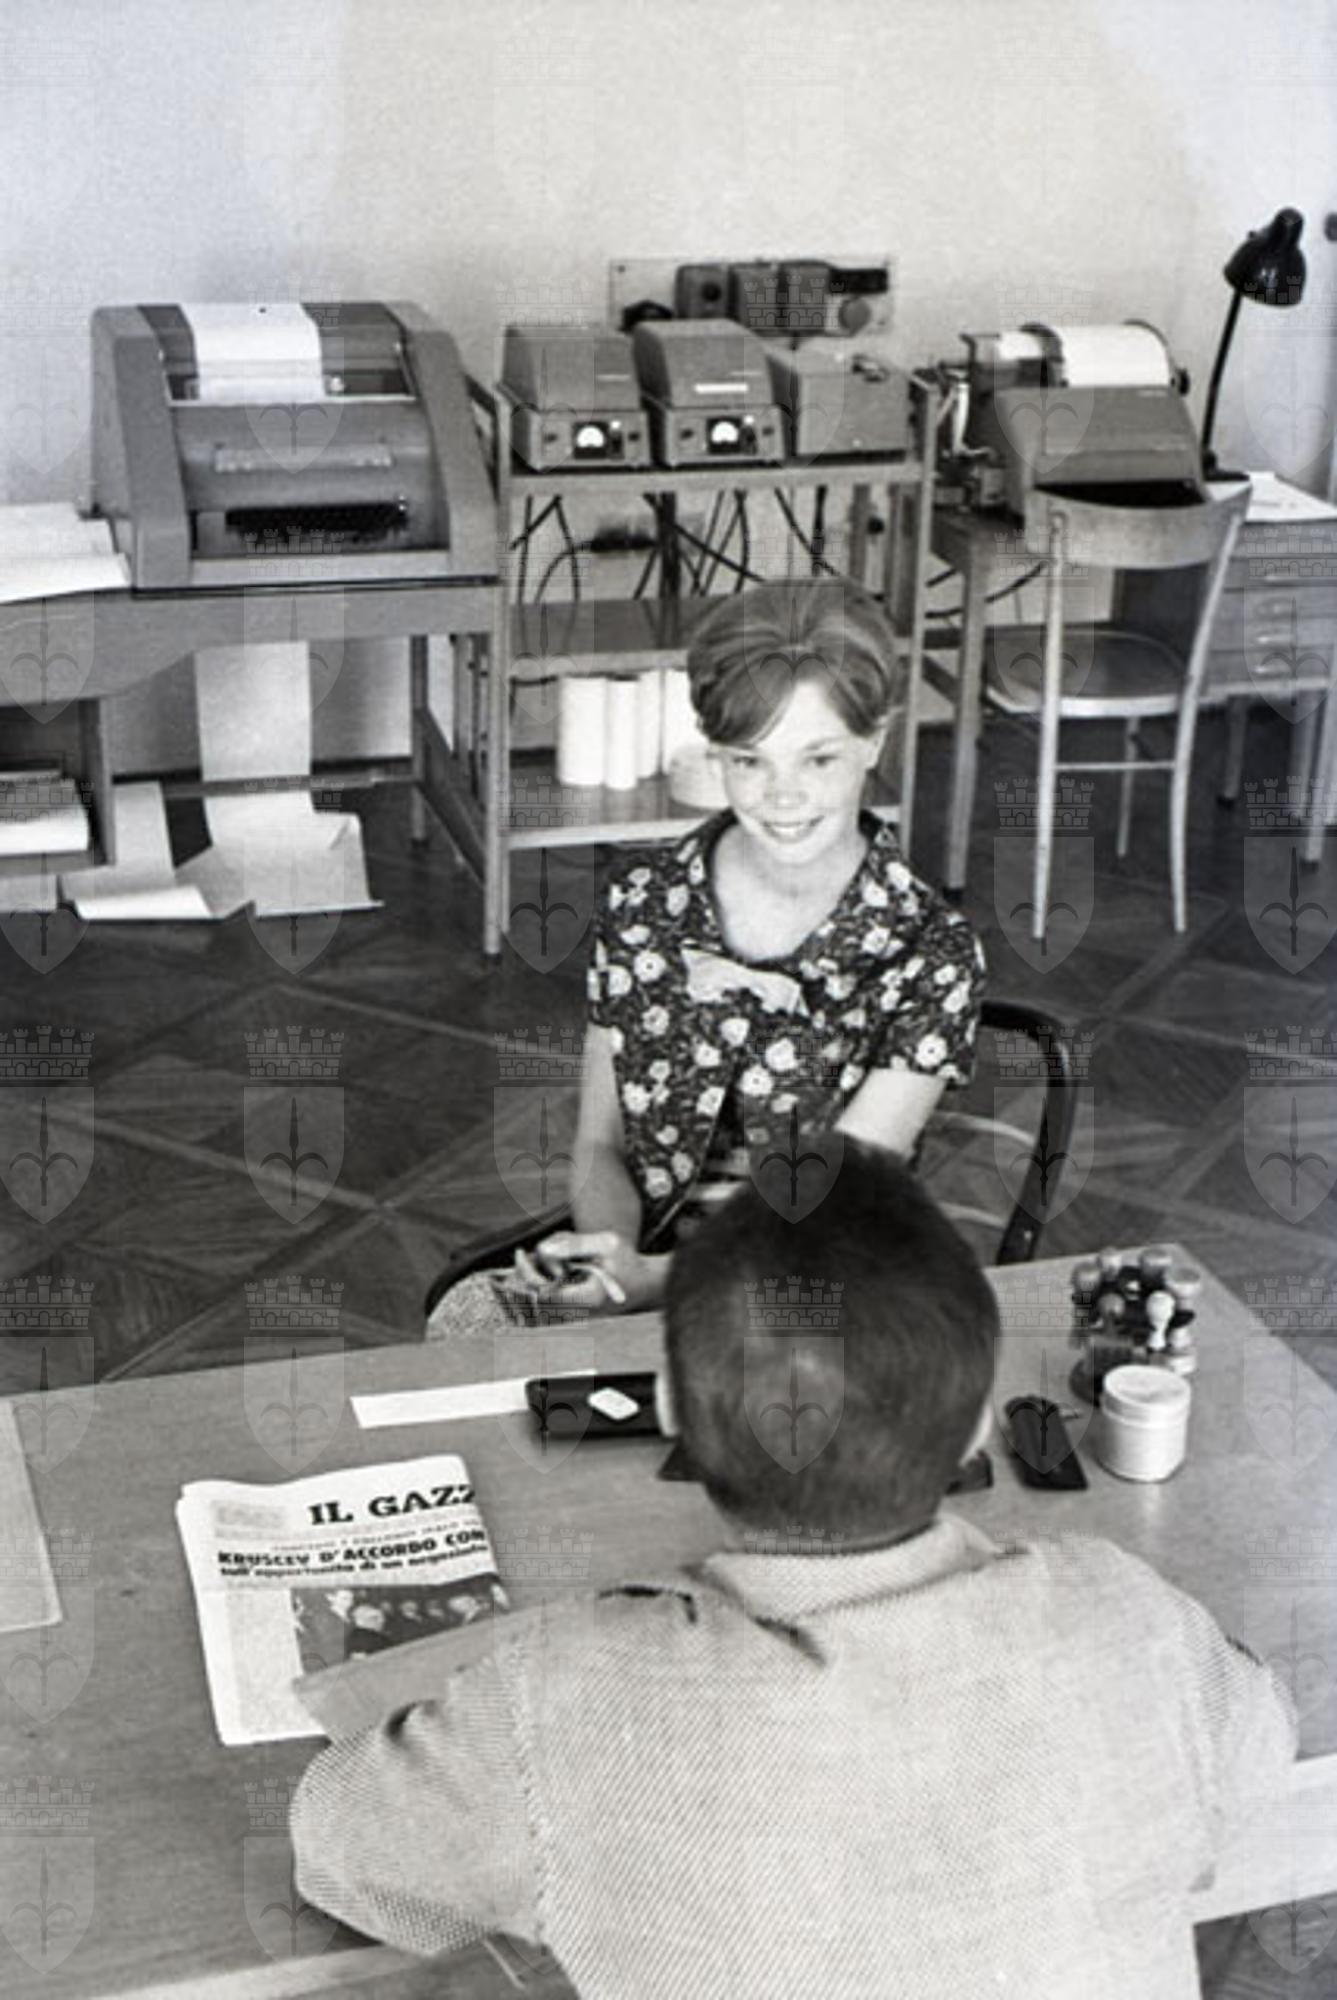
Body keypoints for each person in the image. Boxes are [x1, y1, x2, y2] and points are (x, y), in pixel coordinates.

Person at [295, 1142, 1294, 1999]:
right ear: (977, 1427)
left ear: (672, 1414)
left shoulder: (569, 1692)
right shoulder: (1128, 1616)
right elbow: (1258, 1743)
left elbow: (341, 1851)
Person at [428, 580, 985, 1334]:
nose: (783, 796)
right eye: (749, 761)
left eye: (818, 759)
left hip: (819, 1288)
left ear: (874, 741)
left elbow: (840, 1207)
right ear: (715, 753)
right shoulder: (644, 900)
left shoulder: (932, 951)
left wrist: (657, 1284)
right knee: (467, 1320)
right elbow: (600, 1142)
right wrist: (609, 1261)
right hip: (647, 1268)